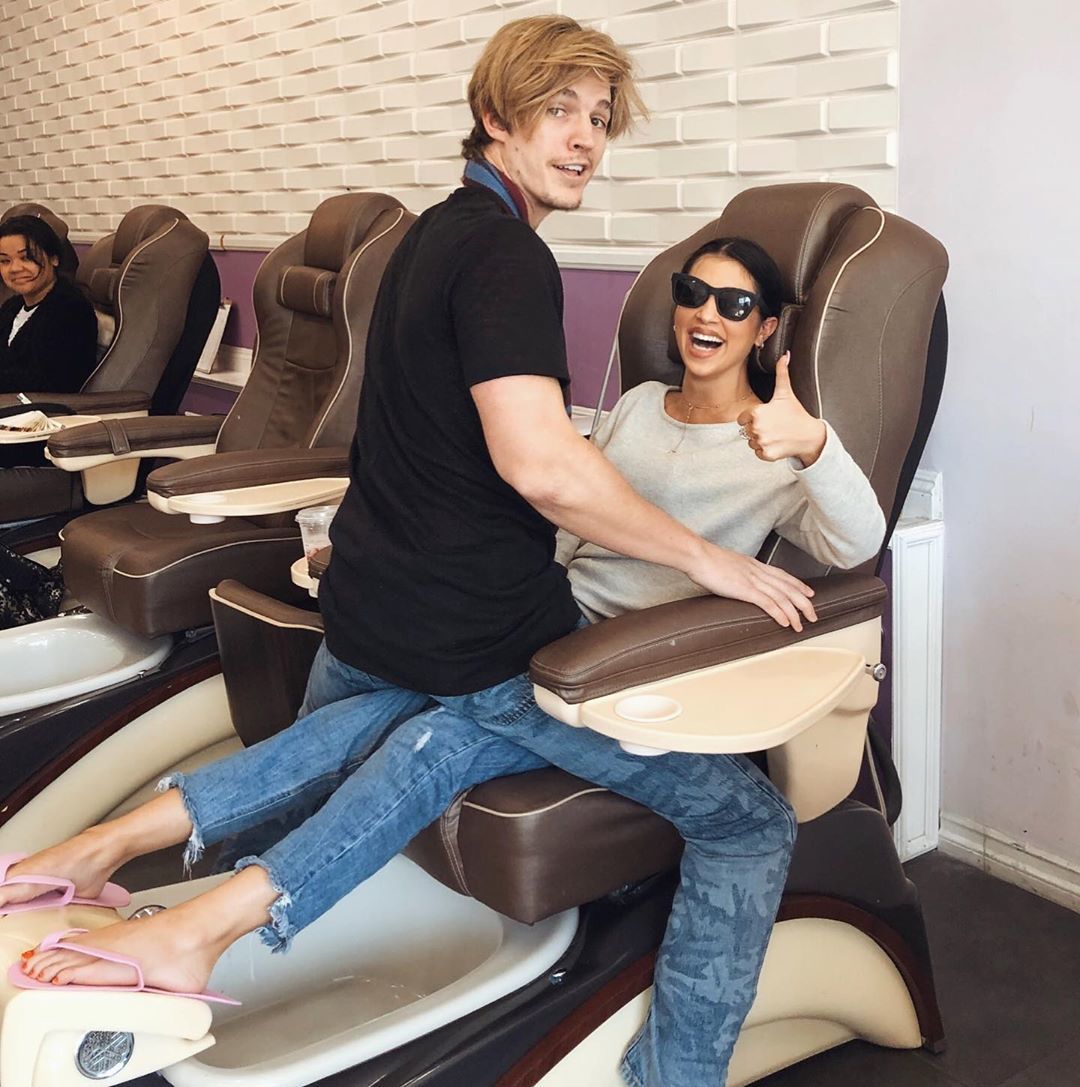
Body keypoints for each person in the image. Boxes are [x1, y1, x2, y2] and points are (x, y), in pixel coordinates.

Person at [5, 19, 884, 1087]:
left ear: (769, 330)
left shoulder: (439, 241)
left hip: (602, 661)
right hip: (534, 634)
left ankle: (102, 853)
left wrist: (811, 446)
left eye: (599, 119)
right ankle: (193, 920)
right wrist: (704, 561)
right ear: (494, 116)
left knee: (411, 730)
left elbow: (853, 543)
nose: (585, 138)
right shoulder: (608, 374)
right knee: (464, 740)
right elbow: (548, 478)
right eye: (559, 110)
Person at [0, 215, 97, 397]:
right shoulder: (12, 307)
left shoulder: (70, 310)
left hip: (38, 409)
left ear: (54, 258)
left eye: (27, 258)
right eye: (5, 261)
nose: (15, 268)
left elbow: (49, 382)